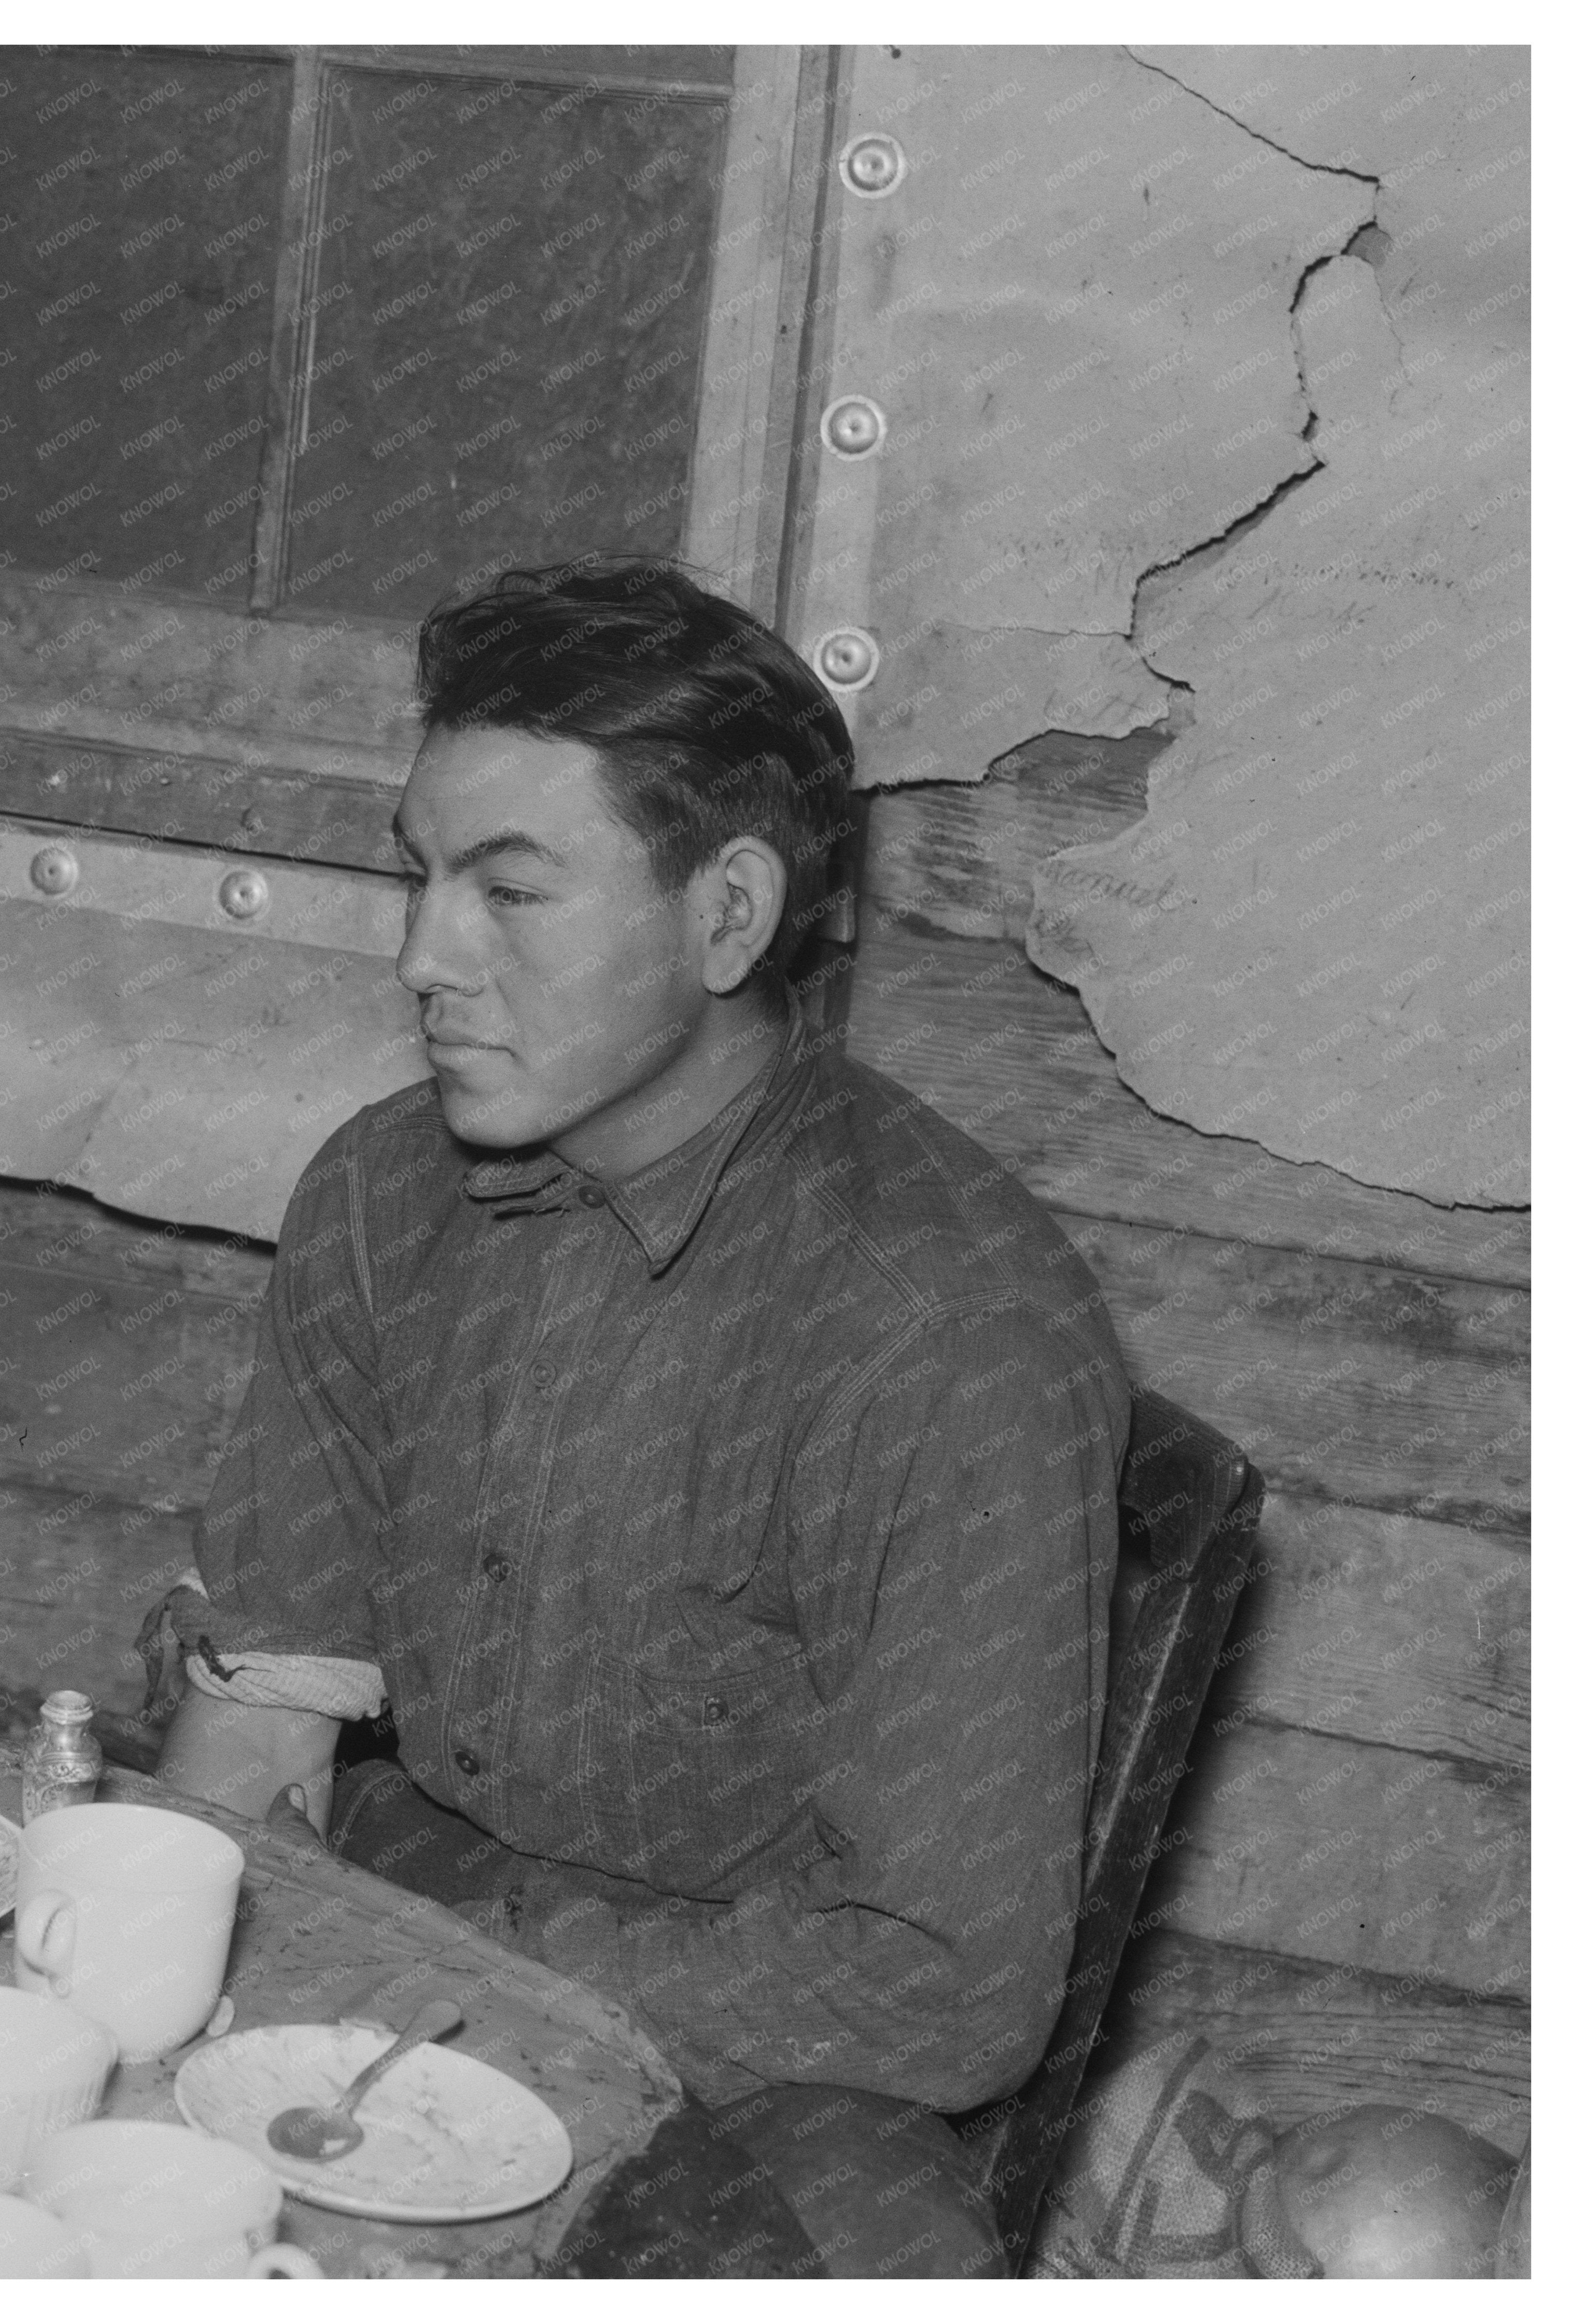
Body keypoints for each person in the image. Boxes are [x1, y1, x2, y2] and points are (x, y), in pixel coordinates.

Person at [148, 557, 1131, 2276]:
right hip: (394, 1911)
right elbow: (258, 1737)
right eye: (422, 876)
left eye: (510, 893)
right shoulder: (381, 1194)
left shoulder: (951, 1340)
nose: (423, 955)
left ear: (729, 915)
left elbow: (944, 1992)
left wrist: (463, 1954)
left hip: (771, 2055)